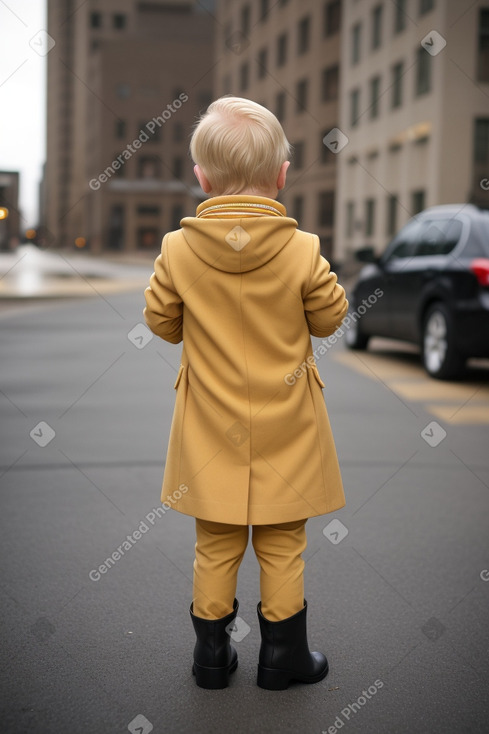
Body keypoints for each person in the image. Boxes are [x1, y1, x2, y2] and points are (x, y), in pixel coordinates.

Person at [143, 96, 348, 691]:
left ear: (202, 177)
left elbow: (161, 322)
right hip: (288, 423)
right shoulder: (302, 248)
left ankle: (211, 656)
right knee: (284, 544)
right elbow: (330, 318)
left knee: (216, 542)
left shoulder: (177, 250)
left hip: (210, 426)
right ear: (281, 176)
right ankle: (283, 658)